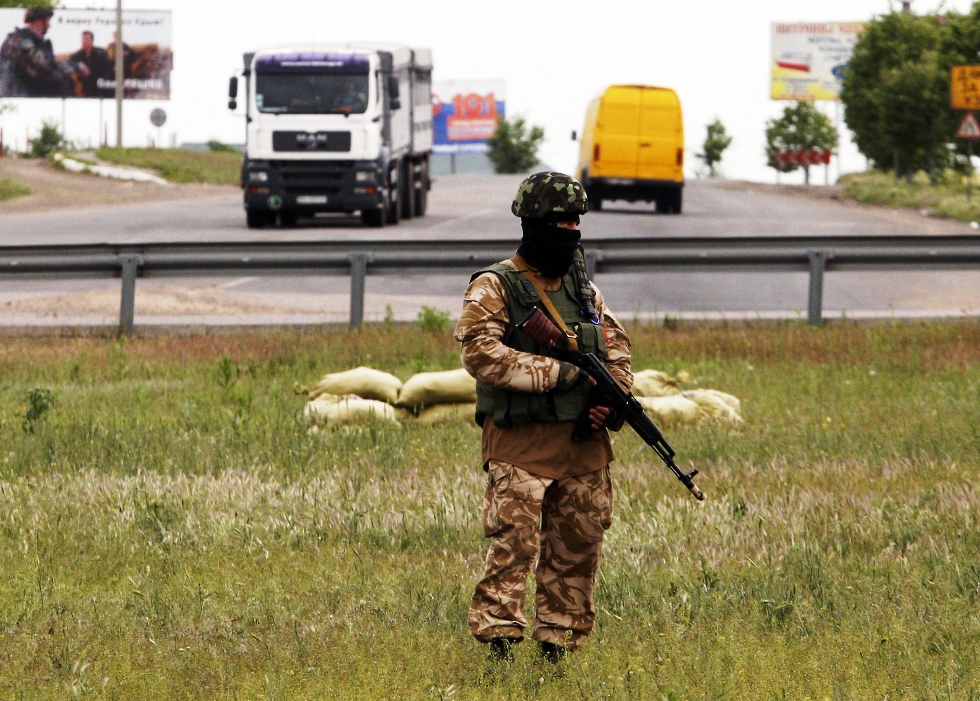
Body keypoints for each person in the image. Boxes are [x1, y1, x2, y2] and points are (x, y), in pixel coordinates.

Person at [454, 171, 633, 664]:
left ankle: (557, 655)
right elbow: (479, 352)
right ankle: (498, 656)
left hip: (582, 450)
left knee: (578, 553)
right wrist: (561, 375)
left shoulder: (584, 291)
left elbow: (616, 350)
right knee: (513, 549)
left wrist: (612, 399)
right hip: (521, 447)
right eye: (559, 221)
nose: (570, 230)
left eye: (576, 221)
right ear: (532, 223)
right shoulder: (496, 285)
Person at [0, 8, 74, 98]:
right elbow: (40, 62)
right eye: (48, 21)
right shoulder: (20, 39)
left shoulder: (38, 43)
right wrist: (72, 67)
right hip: (16, 95)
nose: (49, 25)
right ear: (39, 20)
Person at [69, 30, 114, 98]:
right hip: (85, 84)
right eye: (83, 39)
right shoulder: (76, 56)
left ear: (92, 41)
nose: (84, 41)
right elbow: (72, 68)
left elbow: (108, 68)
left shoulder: (101, 53)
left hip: (100, 82)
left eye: (87, 39)